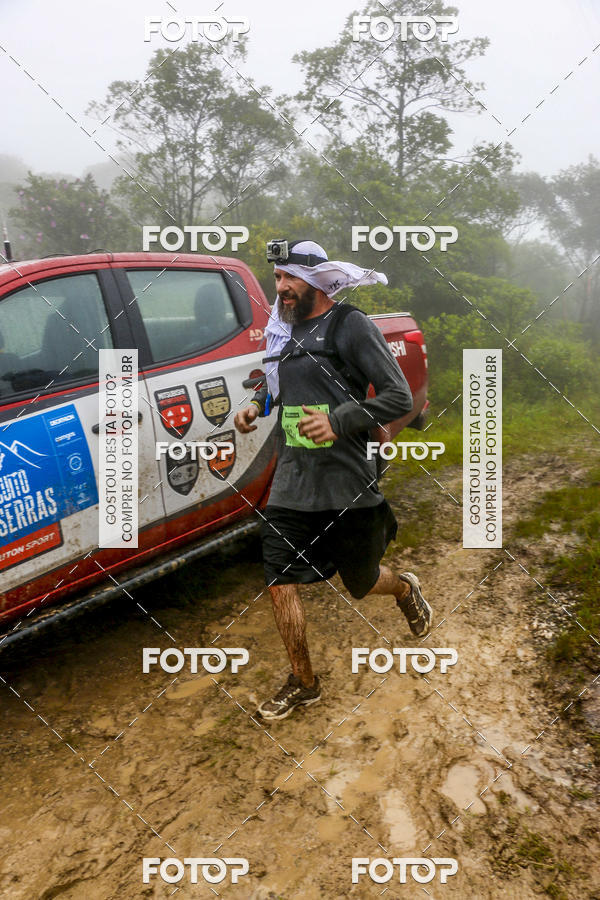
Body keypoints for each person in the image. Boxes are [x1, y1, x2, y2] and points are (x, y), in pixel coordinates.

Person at [234, 240, 433, 720]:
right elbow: (276, 385)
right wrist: (254, 407)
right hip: (294, 479)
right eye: (276, 278)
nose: (280, 288)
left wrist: (340, 420)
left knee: (361, 581)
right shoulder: (281, 332)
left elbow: (398, 396)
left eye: (290, 279)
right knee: (280, 577)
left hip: (347, 478)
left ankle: (404, 588)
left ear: (319, 280)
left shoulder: (350, 325)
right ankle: (303, 682)